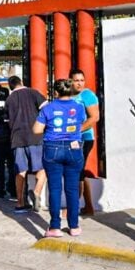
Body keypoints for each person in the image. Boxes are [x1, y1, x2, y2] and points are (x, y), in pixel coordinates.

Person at [32, 78, 86, 237]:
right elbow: (81, 122)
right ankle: (74, 226)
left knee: (55, 188)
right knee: (72, 188)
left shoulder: (48, 108)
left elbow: (36, 130)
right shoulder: (79, 107)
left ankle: (55, 227)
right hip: (74, 148)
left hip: (52, 148)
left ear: (55, 92)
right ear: (70, 90)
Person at [5, 75, 47, 214]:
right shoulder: (33, 92)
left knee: (20, 171)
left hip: (17, 138)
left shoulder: (9, 99)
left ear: (11, 86)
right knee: (41, 168)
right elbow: (46, 109)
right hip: (35, 136)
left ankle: (20, 203)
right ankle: (36, 192)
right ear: (21, 82)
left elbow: (7, 119)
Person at [70, 68, 100, 215]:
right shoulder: (68, 95)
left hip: (84, 138)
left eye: (82, 80)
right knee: (79, 172)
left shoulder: (87, 95)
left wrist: (76, 130)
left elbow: (94, 117)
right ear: (70, 81)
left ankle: (73, 208)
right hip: (71, 139)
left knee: (76, 172)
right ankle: (88, 206)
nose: (79, 83)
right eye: (76, 80)